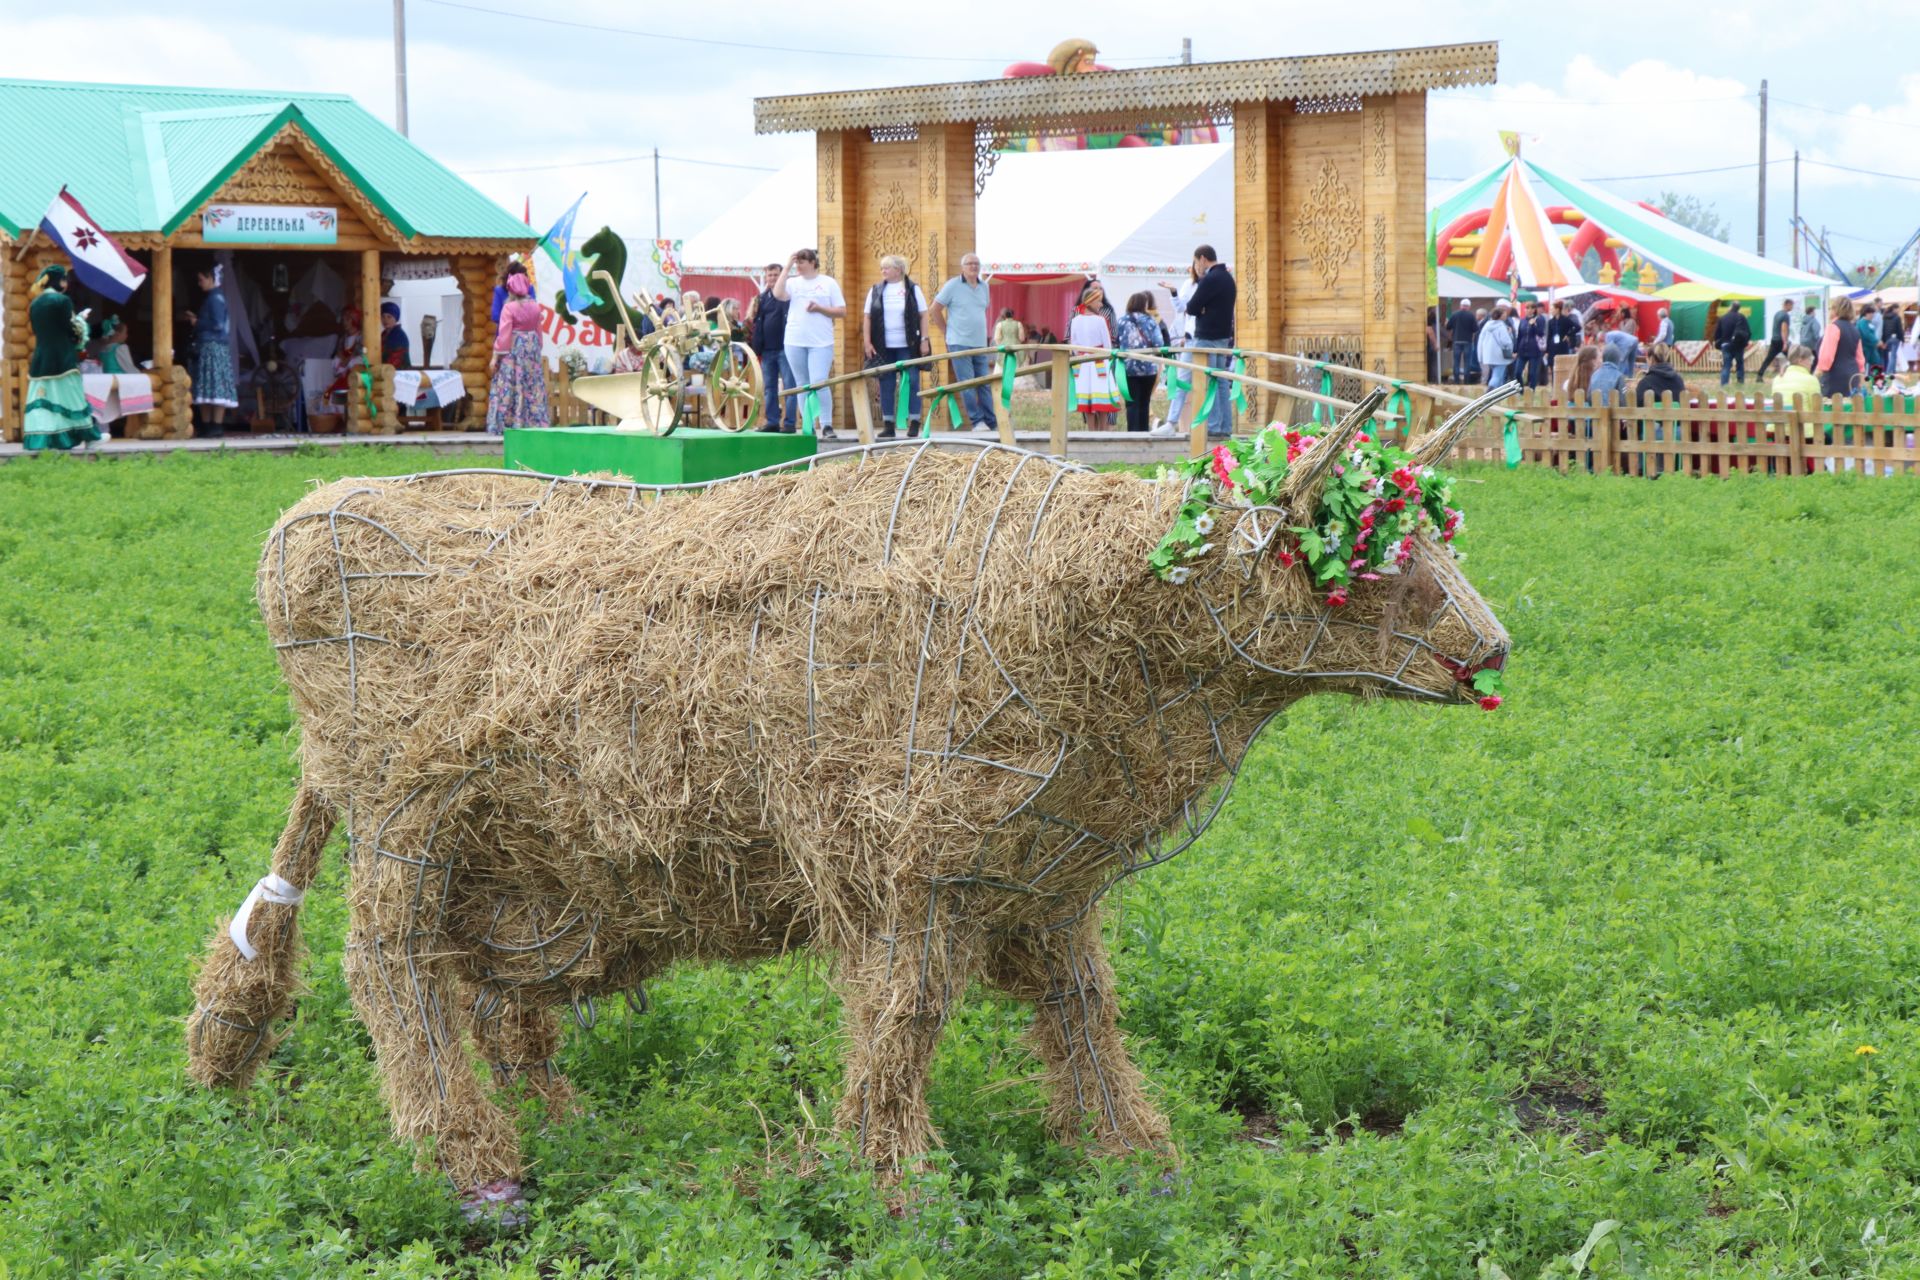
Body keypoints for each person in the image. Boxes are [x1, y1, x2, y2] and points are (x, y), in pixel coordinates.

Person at [22, 264, 100, 452]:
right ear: (59, 281)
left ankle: (43, 441)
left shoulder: (35, 304)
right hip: (63, 358)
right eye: (64, 279)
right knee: (72, 397)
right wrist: (81, 321)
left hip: (41, 359)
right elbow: (72, 331)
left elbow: (37, 330)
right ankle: (90, 438)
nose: (66, 284)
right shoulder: (62, 301)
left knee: (44, 400)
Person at [772, 247, 846, 437]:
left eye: (801, 262)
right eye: (796, 262)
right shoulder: (793, 283)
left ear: (812, 263)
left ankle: (827, 424)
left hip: (821, 342)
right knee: (803, 383)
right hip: (795, 340)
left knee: (819, 381)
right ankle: (808, 424)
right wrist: (786, 267)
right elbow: (778, 294)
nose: (798, 266)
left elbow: (841, 311)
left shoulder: (828, 283)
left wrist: (820, 308)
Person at [861, 253, 931, 439]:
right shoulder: (876, 290)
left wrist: (924, 339)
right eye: (882, 267)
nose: (882, 270)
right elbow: (867, 317)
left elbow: (924, 315)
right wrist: (867, 342)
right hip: (883, 346)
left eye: (887, 267)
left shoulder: (912, 289)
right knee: (886, 383)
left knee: (912, 380)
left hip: (908, 345)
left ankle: (914, 422)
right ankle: (888, 424)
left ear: (899, 270)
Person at [929, 252, 996, 435]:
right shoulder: (952, 285)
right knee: (967, 383)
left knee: (984, 382)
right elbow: (934, 309)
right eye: (969, 263)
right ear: (962, 267)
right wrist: (946, 331)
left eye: (976, 263)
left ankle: (992, 421)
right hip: (959, 342)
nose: (973, 266)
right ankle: (977, 421)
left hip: (980, 343)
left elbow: (981, 310)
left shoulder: (985, 287)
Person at [487, 267, 551, 434]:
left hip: (513, 350)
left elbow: (504, 333)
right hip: (531, 348)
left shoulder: (509, 308)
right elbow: (538, 332)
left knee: (510, 383)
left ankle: (509, 421)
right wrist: (536, 349)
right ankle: (533, 421)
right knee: (532, 384)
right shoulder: (535, 307)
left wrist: (497, 355)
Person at [1185, 244, 1236, 437]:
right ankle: (1225, 426)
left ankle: (1213, 427)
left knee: (1207, 381)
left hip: (1206, 337)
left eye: (1197, 261)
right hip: (1223, 337)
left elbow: (1191, 307)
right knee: (1221, 382)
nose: (1197, 266)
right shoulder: (1228, 279)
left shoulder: (1210, 279)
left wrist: (1202, 309)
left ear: (1203, 258)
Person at [192, 264, 238, 436]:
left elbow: (218, 324)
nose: (199, 283)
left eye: (201, 279)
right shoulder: (214, 297)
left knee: (213, 384)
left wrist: (197, 323)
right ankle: (210, 425)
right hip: (212, 346)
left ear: (211, 278)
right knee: (209, 385)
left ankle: (214, 425)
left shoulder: (215, 298)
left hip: (214, 347)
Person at [1067, 281, 1121, 427]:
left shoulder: (1075, 320)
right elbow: (1108, 345)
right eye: (1098, 301)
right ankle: (1102, 431)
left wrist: (1083, 354)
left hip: (1083, 364)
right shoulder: (1100, 320)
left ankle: (1090, 431)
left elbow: (1074, 346)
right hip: (1100, 363)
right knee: (1102, 398)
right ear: (1091, 302)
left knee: (1088, 399)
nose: (1101, 305)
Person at [747, 262, 792, 433]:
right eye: (770, 275)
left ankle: (789, 423)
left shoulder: (787, 295)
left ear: (782, 275)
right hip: (767, 349)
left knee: (789, 386)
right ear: (766, 277)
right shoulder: (762, 297)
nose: (772, 278)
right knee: (769, 387)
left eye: (775, 274)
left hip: (786, 348)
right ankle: (772, 421)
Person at [1116, 291, 1167, 432]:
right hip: (1148, 367)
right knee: (1144, 403)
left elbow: (1116, 342)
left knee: (1131, 403)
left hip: (1128, 368)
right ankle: (1143, 433)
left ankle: (1132, 434)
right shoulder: (1151, 321)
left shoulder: (1122, 321)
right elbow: (1159, 343)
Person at [1816, 296, 1862, 397]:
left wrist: (1817, 373)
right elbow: (1860, 359)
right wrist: (1860, 377)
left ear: (1835, 309)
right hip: (1853, 375)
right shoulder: (1854, 330)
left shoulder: (1833, 327)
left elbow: (1827, 356)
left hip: (1835, 376)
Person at [1477, 301, 1515, 386]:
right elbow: (1506, 342)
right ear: (1500, 315)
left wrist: (1481, 355)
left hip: (1488, 355)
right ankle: (1491, 389)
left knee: (1497, 375)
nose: (1506, 315)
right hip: (1500, 355)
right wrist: (1509, 335)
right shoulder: (1501, 326)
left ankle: (1497, 394)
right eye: (1504, 313)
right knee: (1497, 375)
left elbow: (1481, 340)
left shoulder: (1487, 325)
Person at [1756, 298, 1795, 379]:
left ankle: (1759, 375)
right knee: (1792, 357)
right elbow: (1783, 329)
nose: (1792, 307)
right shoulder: (1785, 315)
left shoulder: (1777, 314)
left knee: (1768, 358)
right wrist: (1785, 342)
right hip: (1781, 340)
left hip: (1774, 339)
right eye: (1791, 305)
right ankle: (1796, 374)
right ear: (1787, 305)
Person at [1714, 302, 1751, 386]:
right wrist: (1745, 343)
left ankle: (1724, 384)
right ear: (1738, 308)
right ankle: (1740, 382)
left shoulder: (1723, 318)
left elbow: (1717, 334)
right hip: (1738, 345)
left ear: (1731, 307)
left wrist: (1719, 343)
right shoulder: (1742, 317)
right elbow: (1748, 332)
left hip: (1725, 345)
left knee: (1726, 365)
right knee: (1740, 364)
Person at [1512, 301, 1546, 388]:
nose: (1529, 310)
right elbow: (1519, 336)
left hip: (1535, 349)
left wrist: (1534, 325)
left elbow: (1541, 333)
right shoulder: (1523, 320)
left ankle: (1531, 391)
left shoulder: (1539, 319)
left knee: (1532, 373)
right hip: (1522, 349)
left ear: (1534, 309)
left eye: (1531, 308)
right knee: (1517, 372)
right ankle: (1521, 390)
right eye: (1527, 308)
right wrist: (1515, 350)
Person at [1588, 339, 1629, 406]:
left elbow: (1589, 398)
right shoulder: (1619, 376)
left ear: (1604, 357)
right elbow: (1623, 401)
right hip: (1612, 415)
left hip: (1596, 414)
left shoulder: (1594, 375)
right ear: (1617, 359)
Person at [1446, 301, 1477, 383]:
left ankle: (1457, 381)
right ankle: (1466, 381)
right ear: (1469, 307)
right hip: (1468, 341)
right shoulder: (1471, 316)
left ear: (1460, 306)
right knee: (1467, 362)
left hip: (1456, 341)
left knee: (1456, 361)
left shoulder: (1454, 314)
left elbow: (1448, 327)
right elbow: (1475, 329)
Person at [379, 300, 411, 369]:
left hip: (400, 373)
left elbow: (396, 359)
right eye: (383, 316)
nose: (385, 320)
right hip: (385, 371)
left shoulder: (399, 336)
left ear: (395, 318)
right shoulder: (383, 334)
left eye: (389, 317)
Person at [1856, 303, 1883, 378]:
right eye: (1872, 313)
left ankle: (1876, 378)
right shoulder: (1862, 322)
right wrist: (1876, 341)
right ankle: (1861, 379)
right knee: (1862, 365)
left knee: (1876, 362)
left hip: (1872, 348)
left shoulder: (1869, 323)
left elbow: (1872, 334)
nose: (1873, 315)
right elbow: (1867, 334)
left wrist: (1876, 341)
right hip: (1864, 348)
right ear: (1867, 313)